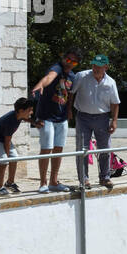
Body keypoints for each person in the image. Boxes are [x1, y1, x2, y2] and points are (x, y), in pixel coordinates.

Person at [29, 49, 79, 193]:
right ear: (63, 58)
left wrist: (69, 110)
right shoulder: (56, 68)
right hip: (46, 116)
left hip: (61, 117)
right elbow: (49, 78)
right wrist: (40, 85)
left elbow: (69, 95)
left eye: (74, 62)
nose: (70, 64)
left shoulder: (72, 76)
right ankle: (43, 183)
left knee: (58, 149)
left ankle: (53, 181)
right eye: (68, 60)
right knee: (46, 149)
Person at [72, 54, 122, 188]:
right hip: (83, 117)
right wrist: (69, 112)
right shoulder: (81, 76)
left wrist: (114, 121)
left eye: (99, 66)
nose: (95, 68)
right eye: (94, 65)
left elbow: (115, 103)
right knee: (82, 149)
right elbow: (71, 93)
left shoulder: (111, 82)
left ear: (106, 67)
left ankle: (105, 177)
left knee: (105, 149)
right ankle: (84, 179)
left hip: (102, 118)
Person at [0, 98, 33, 195]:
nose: (31, 112)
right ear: (21, 111)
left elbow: (25, 118)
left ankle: (9, 183)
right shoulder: (11, 121)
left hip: (4, 138)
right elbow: (7, 141)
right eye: (29, 110)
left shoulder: (18, 115)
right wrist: (6, 154)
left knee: (14, 158)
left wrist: (34, 123)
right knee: (4, 161)